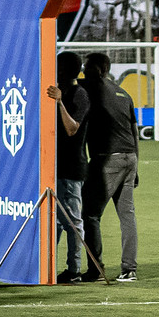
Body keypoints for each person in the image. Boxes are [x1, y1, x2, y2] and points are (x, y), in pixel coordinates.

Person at [80, 52, 139, 282]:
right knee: (127, 215)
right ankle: (129, 269)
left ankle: (95, 269)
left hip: (107, 159)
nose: (83, 70)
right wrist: (137, 166)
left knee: (90, 214)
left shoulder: (91, 87)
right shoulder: (123, 93)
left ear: (99, 69)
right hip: (130, 157)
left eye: (87, 66)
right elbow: (134, 132)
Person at [45, 51, 94, 282]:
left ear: (64, 70)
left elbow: (72, 128)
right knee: (53, 219)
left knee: (73, 221)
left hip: (72, 167)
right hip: (52, 166)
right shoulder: (57, 92)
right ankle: (46, 264)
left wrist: (59, 101)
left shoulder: (79, 94)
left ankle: (74, 271)